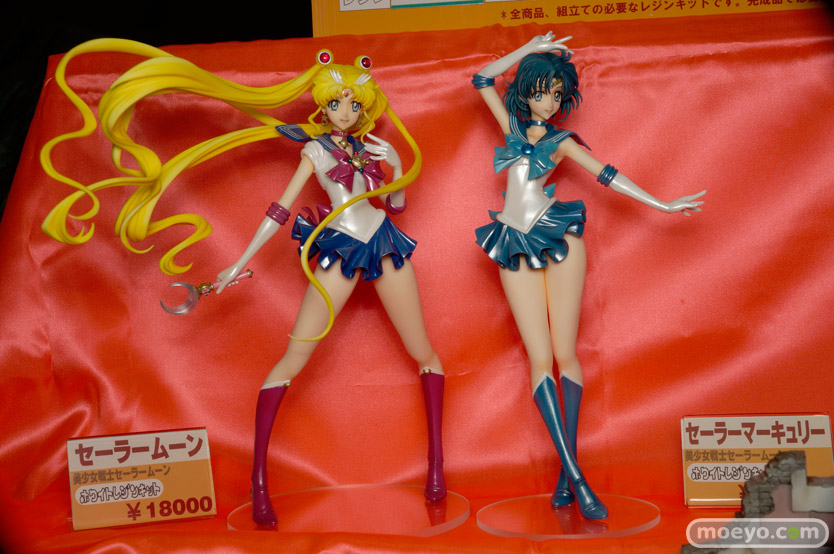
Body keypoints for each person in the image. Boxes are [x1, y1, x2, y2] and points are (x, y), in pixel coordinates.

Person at [41, 40, 446, 528]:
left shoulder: (369, 149)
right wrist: (237, 263)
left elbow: (395, 204)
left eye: (354, 105)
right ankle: (259, 479)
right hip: (339, 247)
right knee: (294, 358)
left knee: (424, 351)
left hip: (381, 240)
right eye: (337, 102)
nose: (345, 111)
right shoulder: (315, 149)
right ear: (323, 105)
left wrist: (396, 165)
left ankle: (436, 467)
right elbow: (279, 210)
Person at [472, 32, 704, 520]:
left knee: (564, 354)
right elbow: (481, 80)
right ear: (525, 92)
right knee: (539, 358)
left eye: (557, 94)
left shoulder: (562, 141)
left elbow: (606, 174)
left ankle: (569, 475)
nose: (550, 102)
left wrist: (662, 203)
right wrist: (528, 49)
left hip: (558, 236)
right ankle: (575, 476)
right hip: (512, 241)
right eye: (542, 91)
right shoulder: (511, 127)